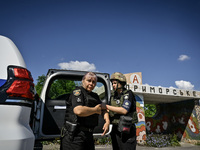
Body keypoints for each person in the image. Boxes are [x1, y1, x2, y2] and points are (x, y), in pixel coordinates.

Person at [60, 72, 110, 150]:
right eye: (89, 81)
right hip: (74, 135)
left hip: (88, 135)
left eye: (94, 82)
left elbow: (103, 109)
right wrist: (95, 110)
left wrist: (107, 121)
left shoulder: (95, 96)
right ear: (83, 81)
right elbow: (78, 111)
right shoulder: (77, 92)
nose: (91, 83)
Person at [106, 72, 138, 150]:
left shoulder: (128, 94)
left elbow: (124, 110)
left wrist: (106, 106)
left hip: (126, 129)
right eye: (112, 83)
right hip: (115, 128)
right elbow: (108, 110)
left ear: (121, 83)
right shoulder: (113, 96)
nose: (113, 85)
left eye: (115, 83)